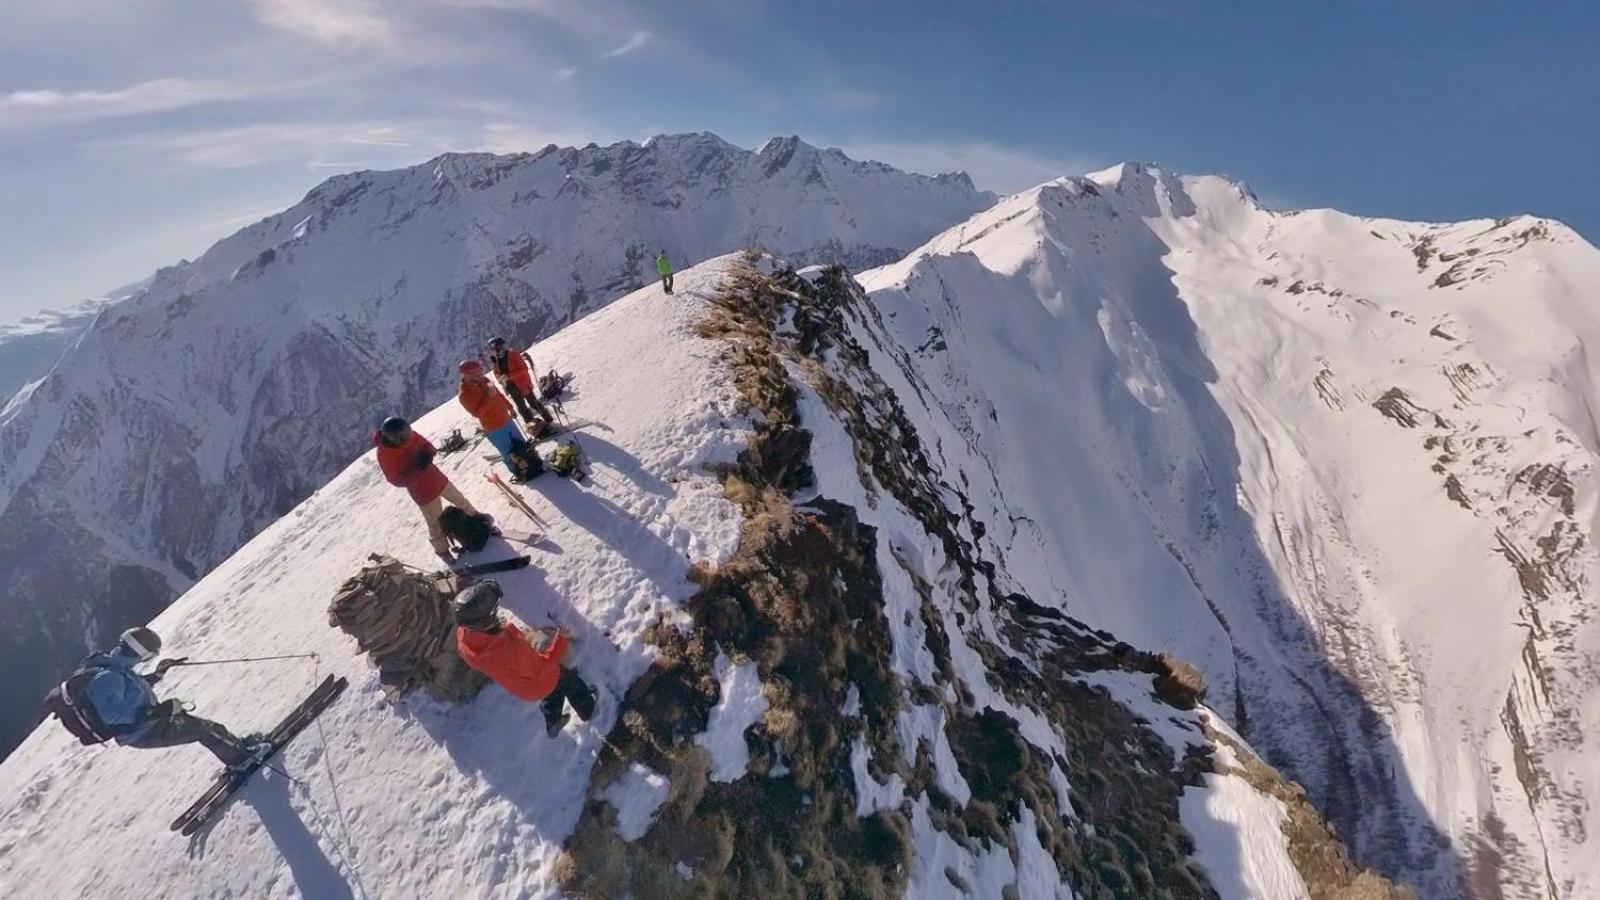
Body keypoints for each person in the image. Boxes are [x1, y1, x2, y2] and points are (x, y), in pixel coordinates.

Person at [77, 627, 268, 769]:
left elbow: (131, 692)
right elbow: (111, 715)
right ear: (142, 653)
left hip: (152, 722)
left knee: (208, 727)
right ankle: (242, 760)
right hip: (143, 732)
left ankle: (238, 747)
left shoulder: (116, 668)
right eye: (150, 656)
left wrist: (158, 675)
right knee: (203, 731)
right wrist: (155, 712)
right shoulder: (107, 677)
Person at [453, 581, 596, 736]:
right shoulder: (509, 651)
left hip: (521, 685)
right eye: (494, 610)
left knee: (551, 692)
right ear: (486, 621)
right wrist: (561, 639)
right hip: (539, 679)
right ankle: (589, 710)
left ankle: (553, 720)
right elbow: (544, 665)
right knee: (571, 683)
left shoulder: (464, 639)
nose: (497, 611)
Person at [374, 415, 491, 558]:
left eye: (407, 433)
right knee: (435, 522)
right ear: (393, 438)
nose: (408, 437)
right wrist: (417, 469)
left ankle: (478, 520)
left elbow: (426, 445)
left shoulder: (409, 435)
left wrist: (429, 453)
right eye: (403, 436)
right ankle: (442, 550)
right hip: (423, 491)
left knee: (461, 501)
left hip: (436, 478)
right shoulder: (385, 454)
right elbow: (395, 479)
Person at [458, 360, 533, 481]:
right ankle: (518, 472)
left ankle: (532, 462)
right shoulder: (464, 395)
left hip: (506, 418)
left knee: (522, 444)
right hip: (494, 428)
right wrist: (489, 397)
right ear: (466, 376)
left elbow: (498, 395)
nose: (480, 375)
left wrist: (510, 407)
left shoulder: (485, 380)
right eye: (476, 374)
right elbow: (478, 414)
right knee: (508, 452)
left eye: (480, 372)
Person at [486, 337, 552, 431]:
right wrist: (500, 379)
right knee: (522, 408)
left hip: (522, 384)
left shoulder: (513, 355)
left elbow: (523, 369)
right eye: (495, 349)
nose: (497, 350)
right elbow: (496, 372)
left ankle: (548, 419)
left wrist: (508, 376)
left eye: (498, 347)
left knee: (534, 403)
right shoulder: (496, 360)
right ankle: (533, 428)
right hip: (511, 387)